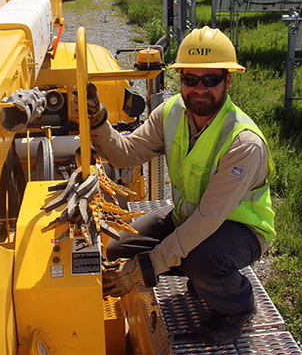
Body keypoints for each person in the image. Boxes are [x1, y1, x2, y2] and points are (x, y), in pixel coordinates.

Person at [81, 26, 276, 345]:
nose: (200, 88)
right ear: (181, 79)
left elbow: (208, 220)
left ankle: (237, 307)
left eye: (211, 79)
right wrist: (98, 121)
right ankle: (200, 277)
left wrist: (144, 268)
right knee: (117, 246)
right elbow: (126, 154)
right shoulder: (171, 113)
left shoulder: (243, 143)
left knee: (202, 258)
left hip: (241, 228)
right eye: (191, 79)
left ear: (228, 80)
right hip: (190, 218)